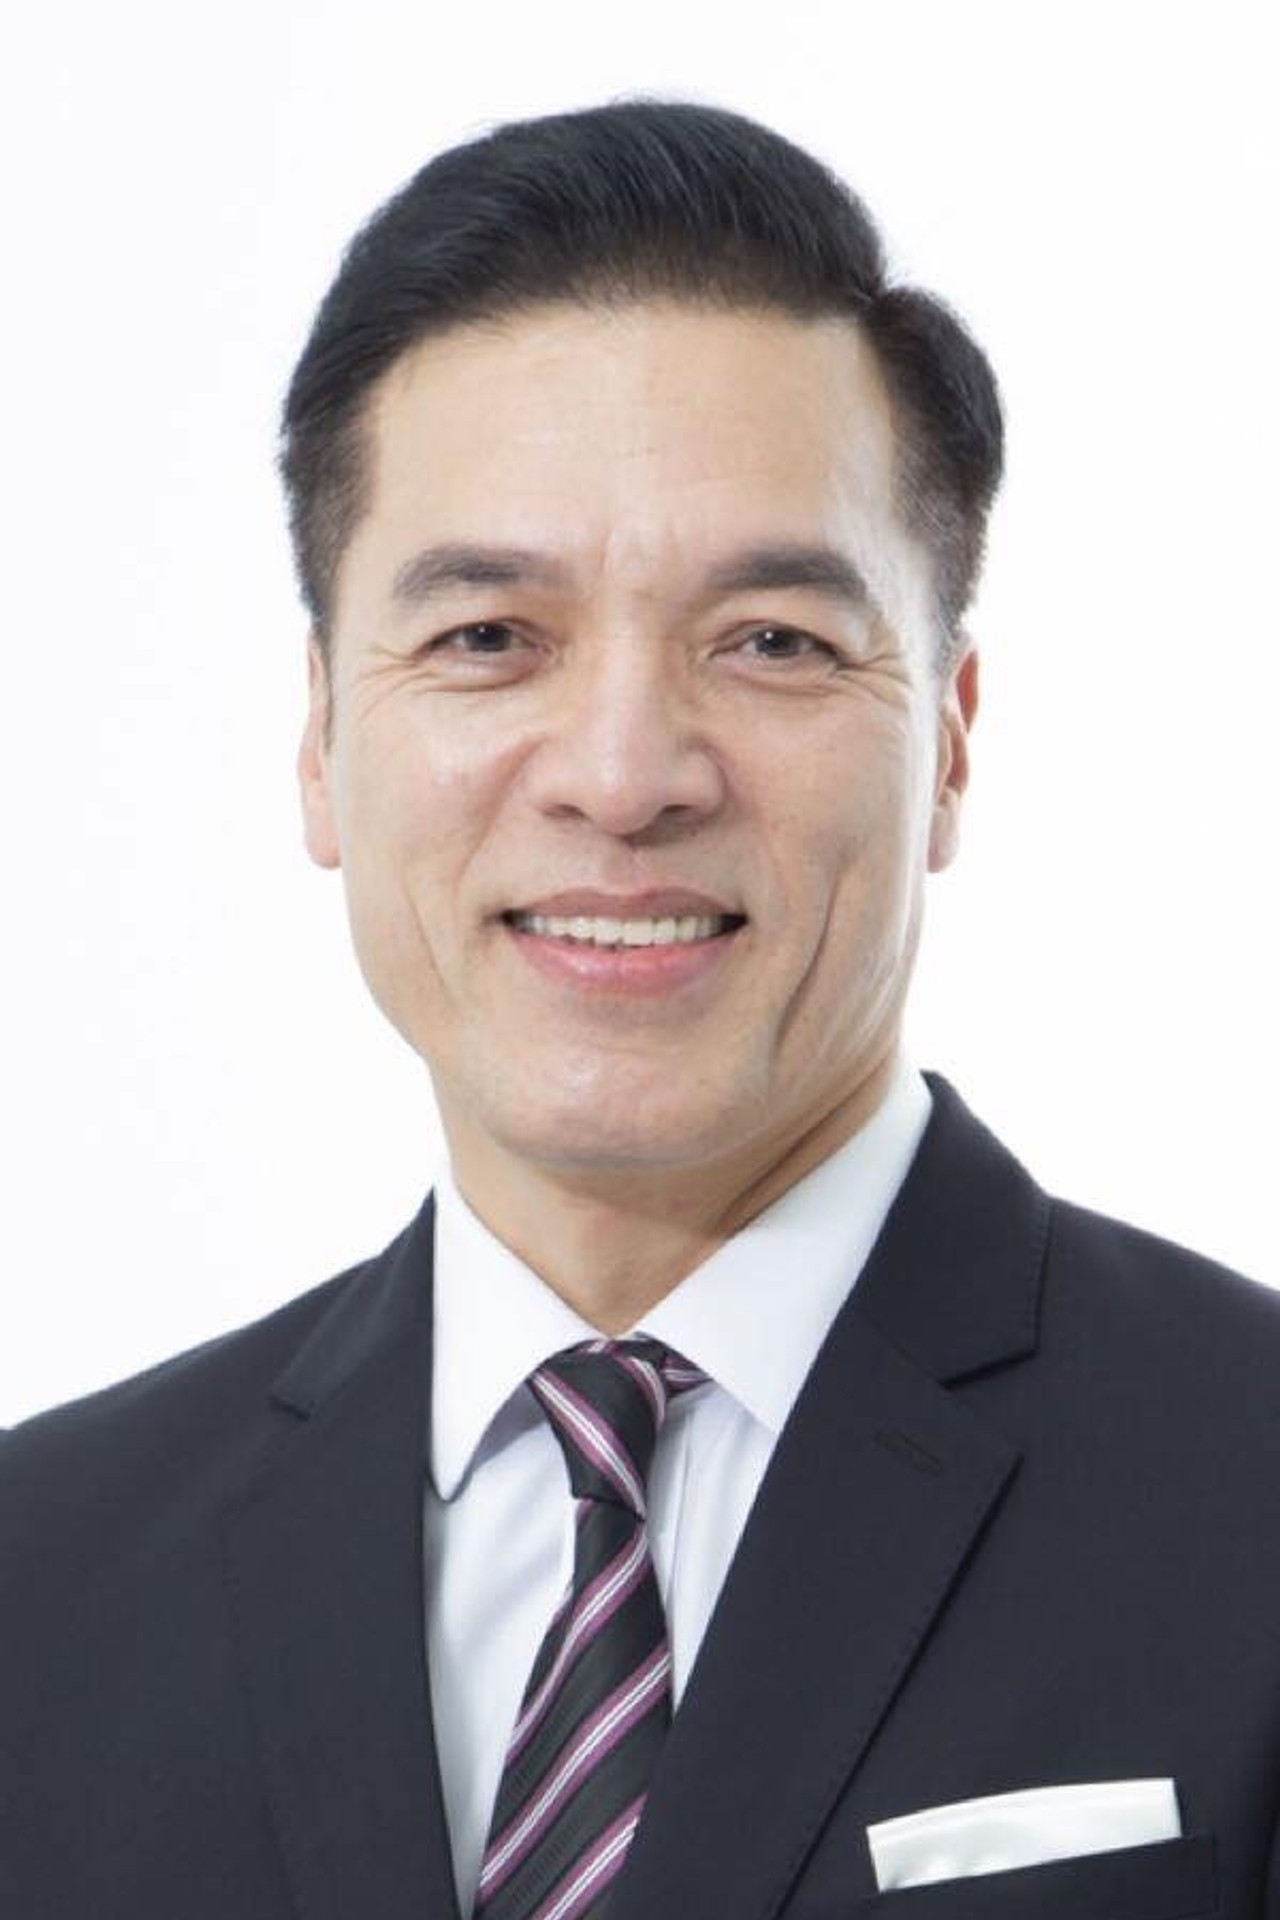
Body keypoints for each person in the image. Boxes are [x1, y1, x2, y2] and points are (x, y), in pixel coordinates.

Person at [2, 96, 1276, 1920]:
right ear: (320, 741)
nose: (621, 775)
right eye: (487, 638)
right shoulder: (40, 1586)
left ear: (949, 743)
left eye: (772, 641)